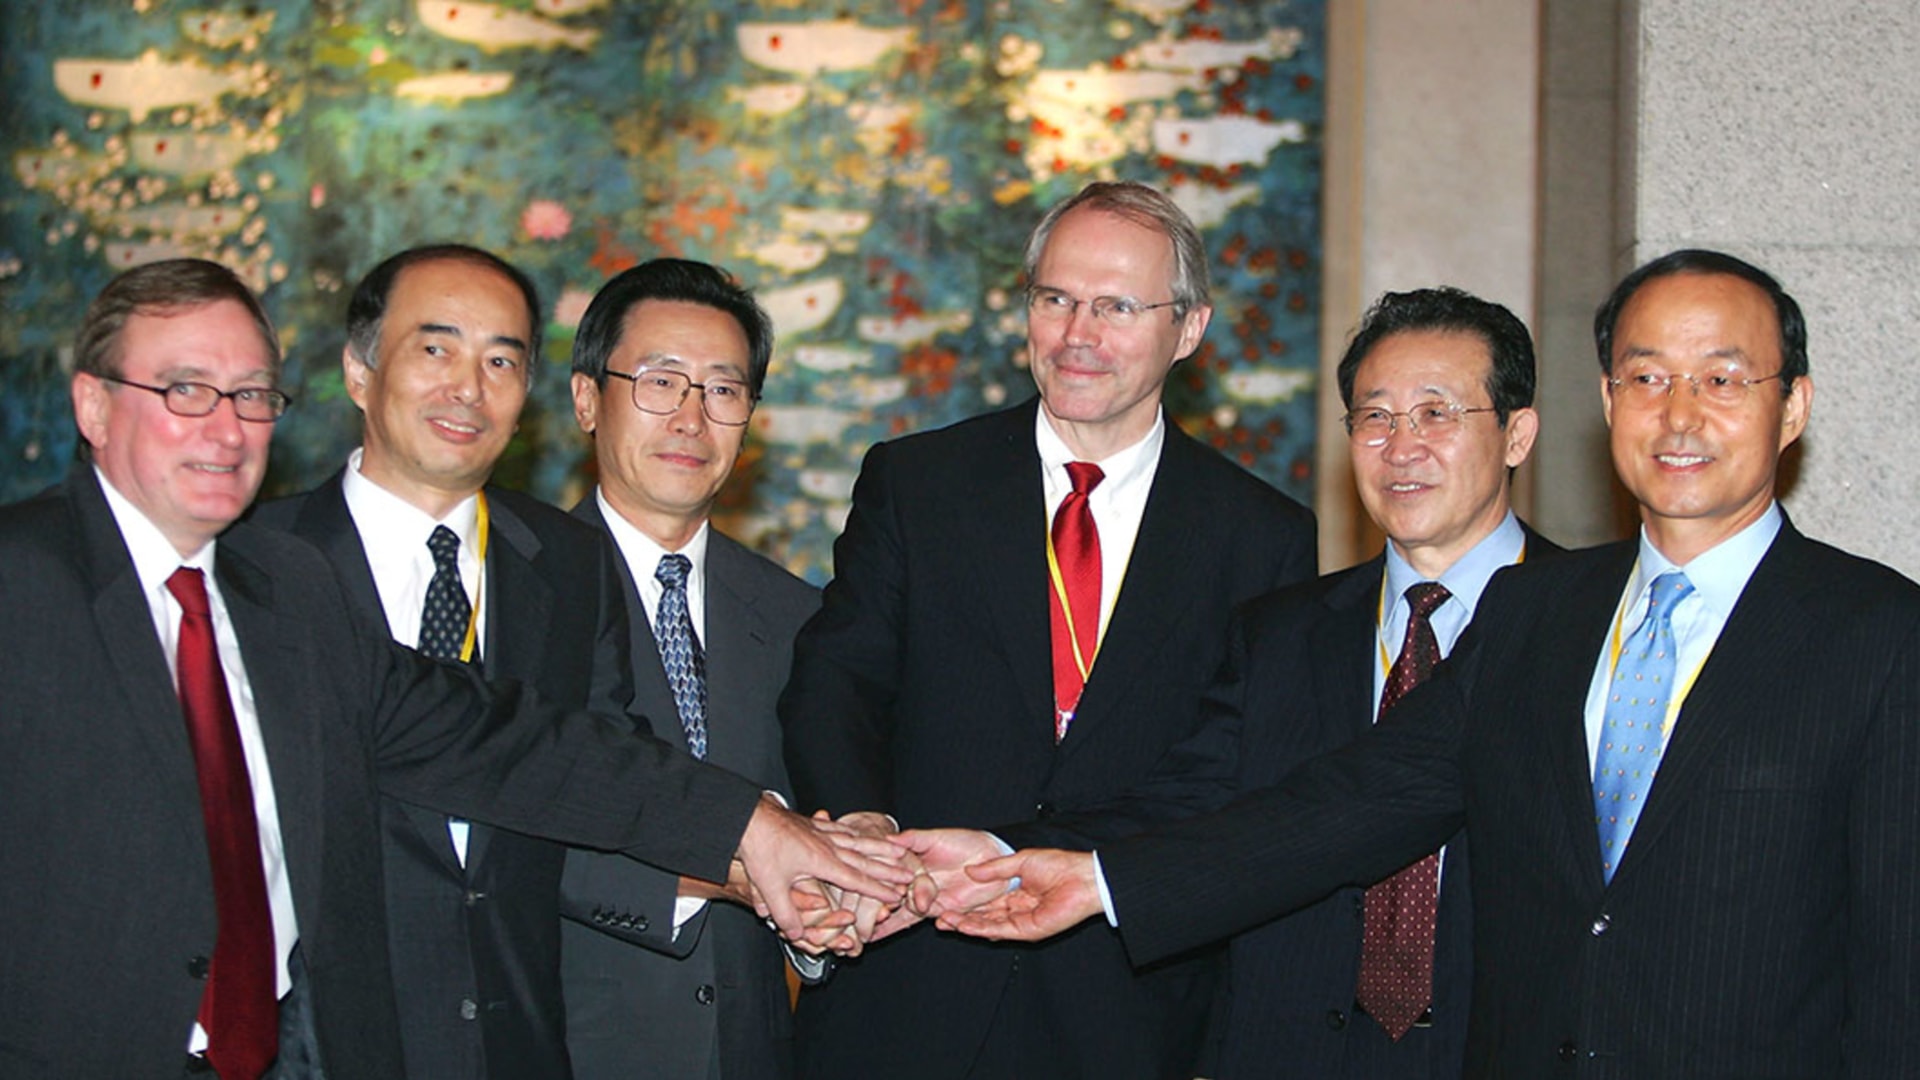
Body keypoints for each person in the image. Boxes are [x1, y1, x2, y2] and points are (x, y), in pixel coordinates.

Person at [944, 250, 1920, 1078]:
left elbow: (1896, 961)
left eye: (1722, 378)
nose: (1679, 415)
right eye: (1648, 376)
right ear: (1609, 399)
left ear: (1792, 407)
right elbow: (1357, 802)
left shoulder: (1877, 634)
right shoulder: (1542, 611)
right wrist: (1095, 879)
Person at [0, 257, 906, 1079]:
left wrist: (752, 825)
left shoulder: (282, 598)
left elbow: (522, 746)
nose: (225, 428)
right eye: (186, 390)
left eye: (251, 396)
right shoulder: (25, 584)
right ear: (91, 406)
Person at [778, 181, 1318, 1079]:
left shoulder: (1259, 536)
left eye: (1115, 306)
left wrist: (1014, 852)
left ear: (1189, 329)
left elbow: (1231, 771)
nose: (1078, 334)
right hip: (909, 974)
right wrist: (862, 827)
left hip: (1121, 1007)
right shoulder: (920, 483)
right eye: (1055, 299)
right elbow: (837, 681)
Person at [252, 243, 631, 1078]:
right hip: (318, 1054)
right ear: (359, 371)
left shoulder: (571, 563)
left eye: (502, 360)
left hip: (519, 1047)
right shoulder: (255, 565)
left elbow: (605, 772)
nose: (469, 386)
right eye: (436, 348)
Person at [560, 258, 821, 1080]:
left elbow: (817, 822)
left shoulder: (799, 616)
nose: (691, 417)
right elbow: (501, 837)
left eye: (723, 390)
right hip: (568, 1045)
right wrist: (727, 870)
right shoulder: (518, 593)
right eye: (661, 382)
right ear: (585, 399)